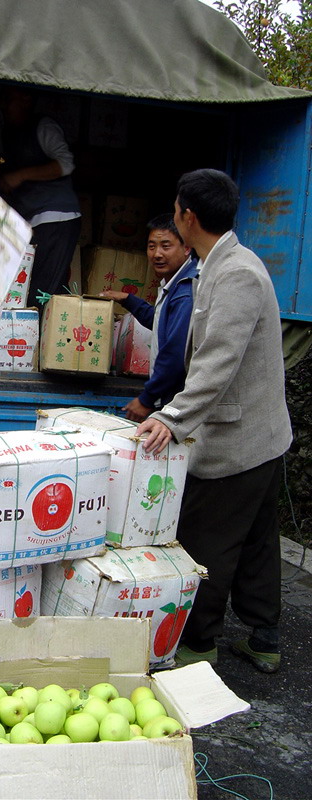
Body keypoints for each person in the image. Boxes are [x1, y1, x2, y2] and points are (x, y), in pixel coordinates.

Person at [137, 168, 292, 674]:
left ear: (189, 216)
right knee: (255, 541)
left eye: (176, 209)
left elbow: (217, 361)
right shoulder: (215, 264)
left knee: (207, 541)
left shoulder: (237, 273)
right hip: (259, 438)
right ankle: (263, 638)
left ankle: (199, 644)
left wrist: (173, 417)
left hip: (238, 440)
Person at [0, 86, 81, 308]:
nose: (3, 106)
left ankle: (45, 338)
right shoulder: (7, 134)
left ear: (26, 99)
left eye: (8, 98)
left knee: (42, 288)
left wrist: (20, 176)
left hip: (56, 217)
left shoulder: (44, 127)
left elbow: (66, 163)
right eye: (1, 99)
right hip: (28, 222)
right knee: (31, 284)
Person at [102, 213, 197, 422]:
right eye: (152, 246)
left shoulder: (185, 290)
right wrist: (128, 299)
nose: (157, 254)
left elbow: (175, 352)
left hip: (178, 400)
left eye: (166, 246)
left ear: (186, 247)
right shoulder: (173, 284)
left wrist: (147, 398)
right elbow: (160, 322)